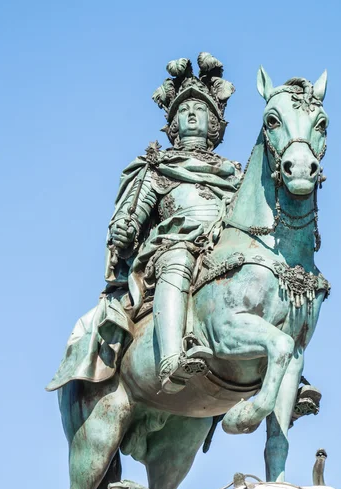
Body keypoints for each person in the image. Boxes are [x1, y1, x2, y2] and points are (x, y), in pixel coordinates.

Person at [105, 53, 242, 393]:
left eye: (199, 109)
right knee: (179, 258)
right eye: (183, 109)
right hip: (173, 248)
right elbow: (131, 216)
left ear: (214, 121)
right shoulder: (156, 168)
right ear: (172, 123)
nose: (191, 114)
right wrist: (124, 228)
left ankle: (289, 378)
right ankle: (170, 359)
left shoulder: (237, 174)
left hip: (222, 249)